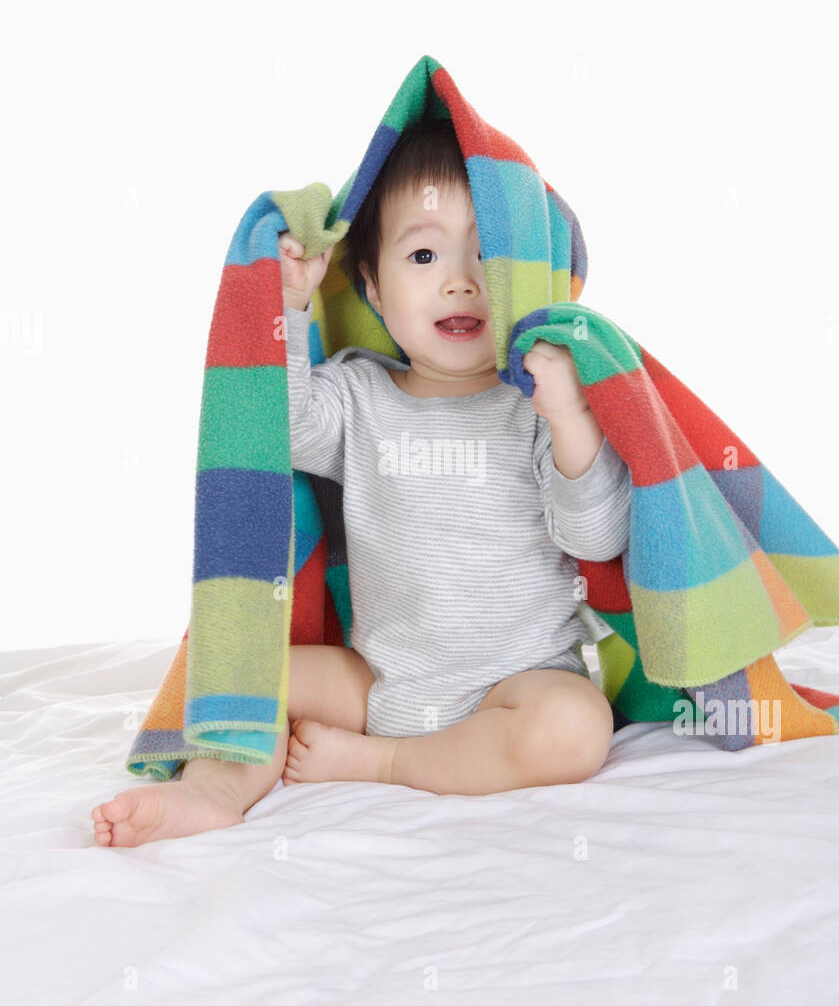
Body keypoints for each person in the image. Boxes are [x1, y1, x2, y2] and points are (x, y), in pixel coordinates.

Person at [92, 119, 631, 847]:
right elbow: (271, 424)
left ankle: (387, 762)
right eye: (424, 252)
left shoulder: (536, 408)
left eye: (487, 255)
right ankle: (215, 790)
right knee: (236, 665)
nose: (459, 277)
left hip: (515, 682)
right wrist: (288, 305)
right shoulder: (358, 396)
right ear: (373, 285)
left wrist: (568, 413)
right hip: (376, 681)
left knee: (575, 729)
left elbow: (597, 537)